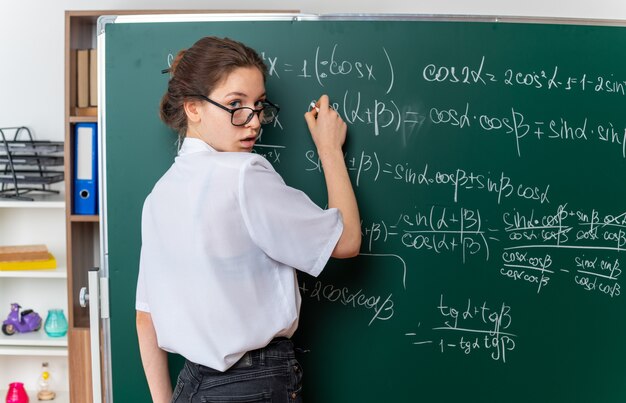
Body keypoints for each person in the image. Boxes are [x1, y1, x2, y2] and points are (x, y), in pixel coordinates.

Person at [135, 36, 361, 403]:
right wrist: (329, 150)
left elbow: (146, 318)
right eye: (235, 105)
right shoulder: (243, 174)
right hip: (252, 384)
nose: (253, 122)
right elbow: (347, 242)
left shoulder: (159, 194)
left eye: (258, 105)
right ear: (193, 108)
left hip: (190, 387)